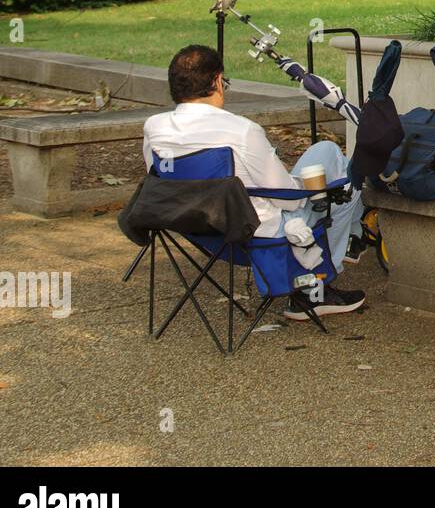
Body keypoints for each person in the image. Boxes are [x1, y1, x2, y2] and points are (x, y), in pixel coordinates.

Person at [142, 45, 366, 321]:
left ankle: (350, 244)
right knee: (346, 181)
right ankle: (316, 284)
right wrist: (304, 184)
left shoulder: (154, 127)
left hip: (197, 230)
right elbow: (289, 199)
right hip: (259, 235)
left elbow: (159, 179)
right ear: (216, 82)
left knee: (324, 152)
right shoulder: (242, 131)